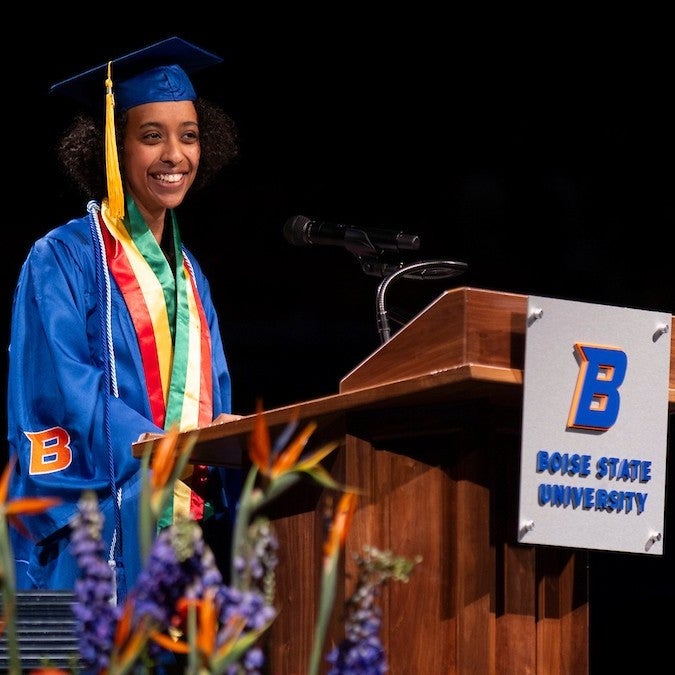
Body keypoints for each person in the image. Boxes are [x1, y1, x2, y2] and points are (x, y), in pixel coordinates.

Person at [6, 36, 242, 603]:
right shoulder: (62, 257)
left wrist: (230, 440)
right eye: (151, 137)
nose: (174, 156)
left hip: (178, 525)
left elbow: (212, 393)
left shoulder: (188, 272)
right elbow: (63, 390)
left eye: (189, 137)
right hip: (86, 530)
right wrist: (154, 447)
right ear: (112, 147)